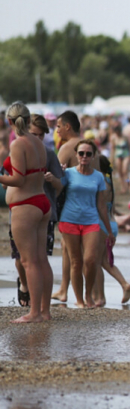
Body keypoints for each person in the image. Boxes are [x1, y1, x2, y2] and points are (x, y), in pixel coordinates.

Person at [0, 103, 53, 323]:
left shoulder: (18, 144)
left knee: (29, 262)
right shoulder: (38, 143)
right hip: (42, 202)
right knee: (41, 260)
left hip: (26, 206)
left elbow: (19, 180)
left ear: (10, 122)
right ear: (29, 120)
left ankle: (34, 313)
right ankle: (45, 311)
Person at [52, 139, 114, 309]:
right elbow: (57, 190)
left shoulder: (98, 177)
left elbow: (101, 204)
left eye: (88, 154)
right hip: (69, 220)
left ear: (93, 156)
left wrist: (109, 230)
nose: (84, 156)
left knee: (91, 260)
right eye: (81, 153)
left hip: (91, 221)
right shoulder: (69, 173)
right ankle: (79, 300)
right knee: (76, 262)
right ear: (76, 155)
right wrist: (57, 175)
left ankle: (88, 295)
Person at [10, 114, 62, 310]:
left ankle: (37, 309)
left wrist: (52, 179)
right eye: (34, 134)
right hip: (32, 206)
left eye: (41, 135)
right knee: (24, 260)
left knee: (34, 260)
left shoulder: (45, 152)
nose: (37, 138)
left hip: (33, 206)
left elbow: (59, 185)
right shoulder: (27, 148)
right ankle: (33, 296)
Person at [52, 110, 88, 303]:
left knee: (73, 252)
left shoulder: (67, 148)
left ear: (67, 126)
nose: (56, 131)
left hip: (71, 205)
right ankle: (64, 289)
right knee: (70, 248)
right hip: (88, 203)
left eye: (58, 126)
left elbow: (56, 177)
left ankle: (71, 293)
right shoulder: (88, 145)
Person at [93, 155, 130, 306]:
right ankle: (124, 284)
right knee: (104, 260)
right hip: (112, 223)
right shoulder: (110, 182)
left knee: (95, 261)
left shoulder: (100, 181)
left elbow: (99, 206)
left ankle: (100, 297)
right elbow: (113, 208)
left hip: (102, 224)